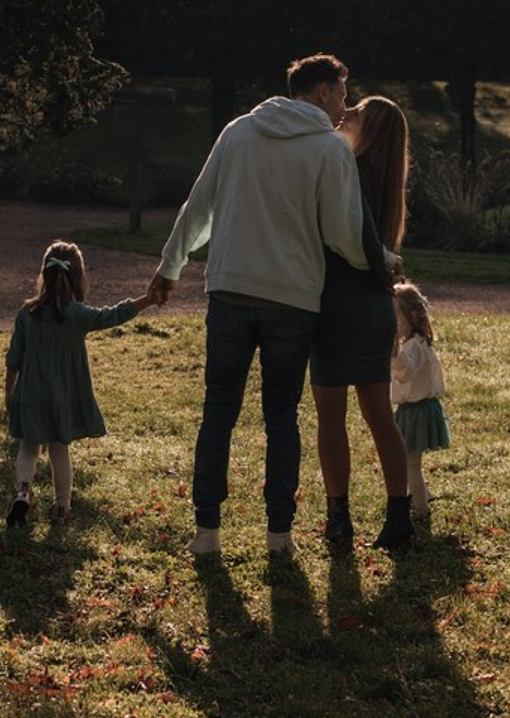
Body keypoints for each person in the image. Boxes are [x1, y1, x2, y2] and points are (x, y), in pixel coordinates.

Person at [149, 53, 375, 557]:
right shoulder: (327, 150)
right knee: (281, 418)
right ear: (320, 93)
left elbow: (199, 205)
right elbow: (344, 235)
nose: (345, 104)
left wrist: (170, 265)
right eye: (341, 92)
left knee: (218, 414)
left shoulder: (238, 133)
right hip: (292, 300)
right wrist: (381, 261)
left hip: (230, 288)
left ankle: (207, 532)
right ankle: (279, 536)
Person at [309, 95, 414, 554]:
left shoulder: (347, 172)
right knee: (380, 418)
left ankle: (339, 518)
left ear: (370, 130)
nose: (347, 112)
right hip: (373, 310)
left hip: (337, 306)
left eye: (358, 111)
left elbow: (349, 242)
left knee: (331, 415)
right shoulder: (386, 185)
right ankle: (399, 516)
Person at [4, 240, 151, 528]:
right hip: (62, 398)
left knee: (28, 448)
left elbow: (13, 359)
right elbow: (112, 315)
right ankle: (61, 507)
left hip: (30, 395)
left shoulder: (27, 314)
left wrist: (9, 395)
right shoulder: (77, 314)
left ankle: (22, 492)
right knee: (60, 450)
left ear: (43, 275)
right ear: (78, 277)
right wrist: (147, 299)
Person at [391, 280, 451, 522]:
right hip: (417, 409)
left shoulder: (413, 348)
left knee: (410, 463)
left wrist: (392, 351)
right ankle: (423, 493)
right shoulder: (419, 343)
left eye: (395, 317)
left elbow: (404, 371)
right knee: (411, 460)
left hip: (415, 410)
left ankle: (421, 508)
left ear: (411, 317)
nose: (392, 324)